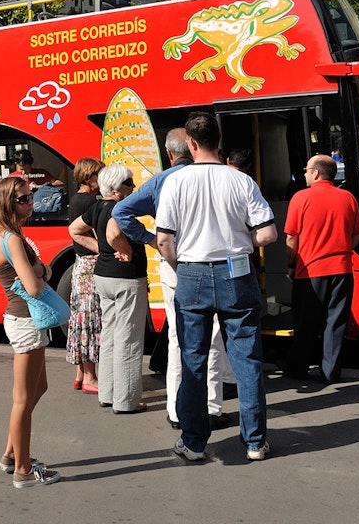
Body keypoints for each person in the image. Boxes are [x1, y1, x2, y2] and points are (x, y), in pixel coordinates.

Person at [155, 111, 277, 463]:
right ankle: (254, 441)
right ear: (218, 138)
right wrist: (241, 242)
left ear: (190, 144)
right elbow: (268, 233)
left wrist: (184, 266)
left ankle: (194, 443)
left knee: (192, 359)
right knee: (246, 358)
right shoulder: (241, 181)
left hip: (191, 272)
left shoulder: (174, 182)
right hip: (236, 273)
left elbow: (164, 240)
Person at [112, 129, 233, 431]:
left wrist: (150, 239)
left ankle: (176, 409)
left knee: (179, 337)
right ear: (194, 148)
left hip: (174, 262)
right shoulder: (218, 176)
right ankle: (211, 407)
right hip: (210, 263)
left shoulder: (161, 181)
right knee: (214, 335)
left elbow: (121, 211)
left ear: (168, 154)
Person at [0, 176, 61, 488]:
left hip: (24, 320)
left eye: (30, 196)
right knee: (22, 399)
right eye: (23, 199)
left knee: (38, 388)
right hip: (25, 321)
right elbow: (32, 285)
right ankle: (23, 469)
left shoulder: (8, 235)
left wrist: (40, 270)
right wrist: (42, 270)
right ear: (7, 203)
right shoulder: (12, 239)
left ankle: (9, 455)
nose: (31, 203)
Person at [69, 164, 146, 414]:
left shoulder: (97, 206)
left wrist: (101, 249)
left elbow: (74, 230)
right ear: (115, 187)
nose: (133, 186)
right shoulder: (119, 207)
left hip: (103, 276)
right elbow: (113, 233)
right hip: (126, 278)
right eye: (128, 182)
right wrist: (125, 250)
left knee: (111, 336)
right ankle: (126, 401)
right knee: (129, 339)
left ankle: (107, 393)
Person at [283, 155, 359, 384]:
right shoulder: (348, 198)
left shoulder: (300, 198)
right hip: (342, 270)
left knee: (305, 323)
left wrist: (291, 265)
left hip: (310, 271)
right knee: (335, 323)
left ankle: (298, 369)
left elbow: (290, 238)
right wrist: (339, 248)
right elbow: (357, 235)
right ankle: (330, 373)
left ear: (316, 173)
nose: (305, 174)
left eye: (307, 170)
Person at [64, 157, 103, 393]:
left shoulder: (76, 200)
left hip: (80, 267)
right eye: (99, 175)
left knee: (80, 320)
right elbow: (98, 237)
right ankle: (90, 377)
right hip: (91, 266)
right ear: (89, 178)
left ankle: (80, 373)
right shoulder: (89, 202)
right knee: (90, 322)